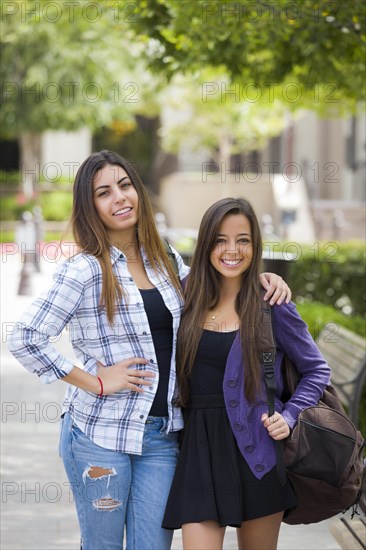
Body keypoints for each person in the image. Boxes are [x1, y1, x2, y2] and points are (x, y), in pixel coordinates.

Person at [8, 152, 291, 550]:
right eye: (103, 192)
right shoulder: (85, 269)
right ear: (90, 206)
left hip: (162, 437)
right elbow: (24, 336)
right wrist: (96, 381)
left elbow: (216, 285)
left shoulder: (164, 260)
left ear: (138, 191)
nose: (119, 198)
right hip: (100, 434)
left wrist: (258, 277)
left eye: (124, 186)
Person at [162, 197, 331, 550]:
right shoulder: (184, 293)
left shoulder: (271, 303)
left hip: (258, 453)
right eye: (220, 240)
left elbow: (316, 369)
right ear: (206, 243)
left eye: (243, 240)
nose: (231, 250)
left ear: (255, 245)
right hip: (200, 450)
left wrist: (289, 415)